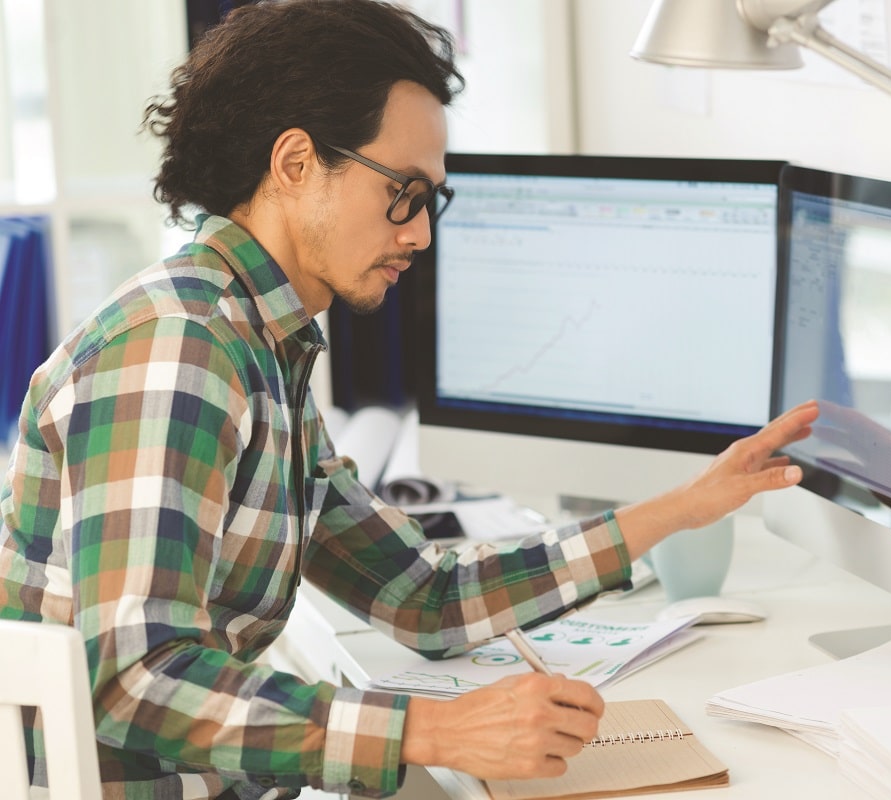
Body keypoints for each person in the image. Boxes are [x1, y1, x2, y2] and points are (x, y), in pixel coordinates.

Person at [0, 1, 819, 798]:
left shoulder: (261, 345)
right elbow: (136, 680)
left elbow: (423, 597)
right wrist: (433, 732)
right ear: (294, 164)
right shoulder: (182, 349)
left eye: (431, 201)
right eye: (405, 190)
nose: (421, 234)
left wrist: (684, 505)